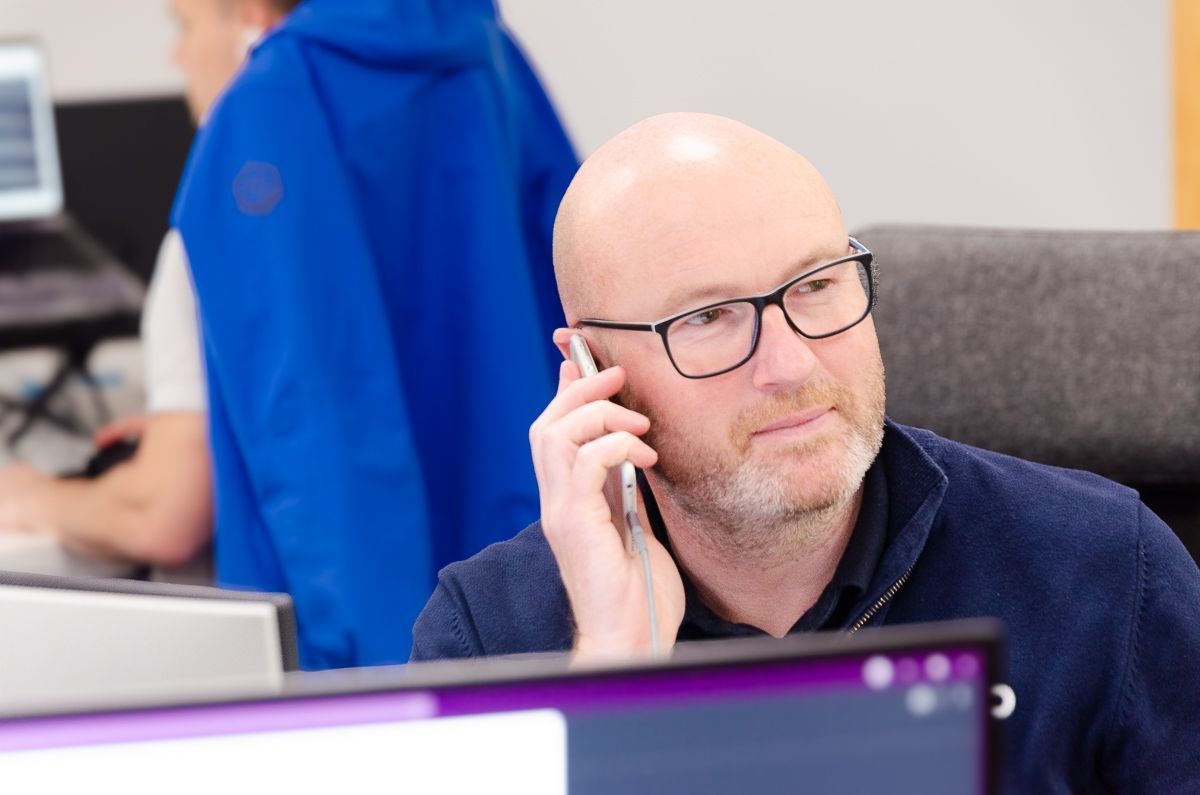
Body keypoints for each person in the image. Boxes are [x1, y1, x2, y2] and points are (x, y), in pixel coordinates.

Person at [410, 113, 1200, 792]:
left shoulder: (1102, 572)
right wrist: (615, 668)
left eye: (817, 285)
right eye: (710, 316)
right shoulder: (491, 636)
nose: (791, 363)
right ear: (589, 370)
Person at [172, 0, 577, 669]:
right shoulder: (493, 63)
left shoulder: (265, 109)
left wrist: (377, 674)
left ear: (247, 10)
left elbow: (305, 422)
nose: (178, 56)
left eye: (182, 26)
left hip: (366, 642)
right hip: (533, 583)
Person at [0, 0, 299, 568]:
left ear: (251, 23)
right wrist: (199, 429)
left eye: (186, 27)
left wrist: (28, 494)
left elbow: (161, 518)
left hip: (301, 632)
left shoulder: (214, 229)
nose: (177, 54)